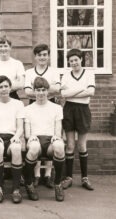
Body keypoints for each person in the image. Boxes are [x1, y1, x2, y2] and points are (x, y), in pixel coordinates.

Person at [23, 77, 65, 202]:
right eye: (38, 90)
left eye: (43, 90)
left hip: (50, 140)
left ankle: (57, 183)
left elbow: (58, 130)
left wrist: (56, 138)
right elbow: (27, 133)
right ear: (34, 91)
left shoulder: (56, 108)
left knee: (59, 146)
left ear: (47, 91)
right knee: (34, 147)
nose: (41, 93)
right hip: (35, 139)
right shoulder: (27, 109)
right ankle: (29, 183)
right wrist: (30, 137)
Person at [24, 44, 61, 188]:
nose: (42, 57)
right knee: (36, 135)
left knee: (50, 134)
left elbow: (57, 89)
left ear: (48, 56)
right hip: (34, 104)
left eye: (45, 54)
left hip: (50, 104)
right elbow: (27, 91)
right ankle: (37, 175)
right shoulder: (29, 72)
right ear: (35, 57)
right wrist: (43, 91)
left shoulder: (53, 71)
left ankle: (48, 175)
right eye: (39, 55)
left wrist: (40, 89)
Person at [60, 49, 95, 191]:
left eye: (76, 59)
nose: (74, 62)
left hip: (83, 110)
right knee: (69, 145)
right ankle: (68, 178)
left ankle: (84, 178)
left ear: (81, 59)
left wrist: (71, 93)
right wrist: (81, 89)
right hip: (69, 110)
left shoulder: (89, 73)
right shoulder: (66, 75)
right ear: (69, 61)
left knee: (81, 145)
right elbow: (63, 95)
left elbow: (91, 92)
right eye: (71, 60)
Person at [0, 75, 24, 204]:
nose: (4, 89)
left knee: (17, 148)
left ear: (10, 88)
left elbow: (20, 127)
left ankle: (16, 189)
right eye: (0, 87)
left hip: (12, 136)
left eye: (6, 86)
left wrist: (16, 137)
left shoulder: (18, 104)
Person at [0, 36, 25, 102]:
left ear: (10, 47)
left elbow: (21, 84)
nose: (3, 48)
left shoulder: (18, 64)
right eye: (0, 46)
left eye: (5, 46)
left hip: (13, 96)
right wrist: (13, 84)